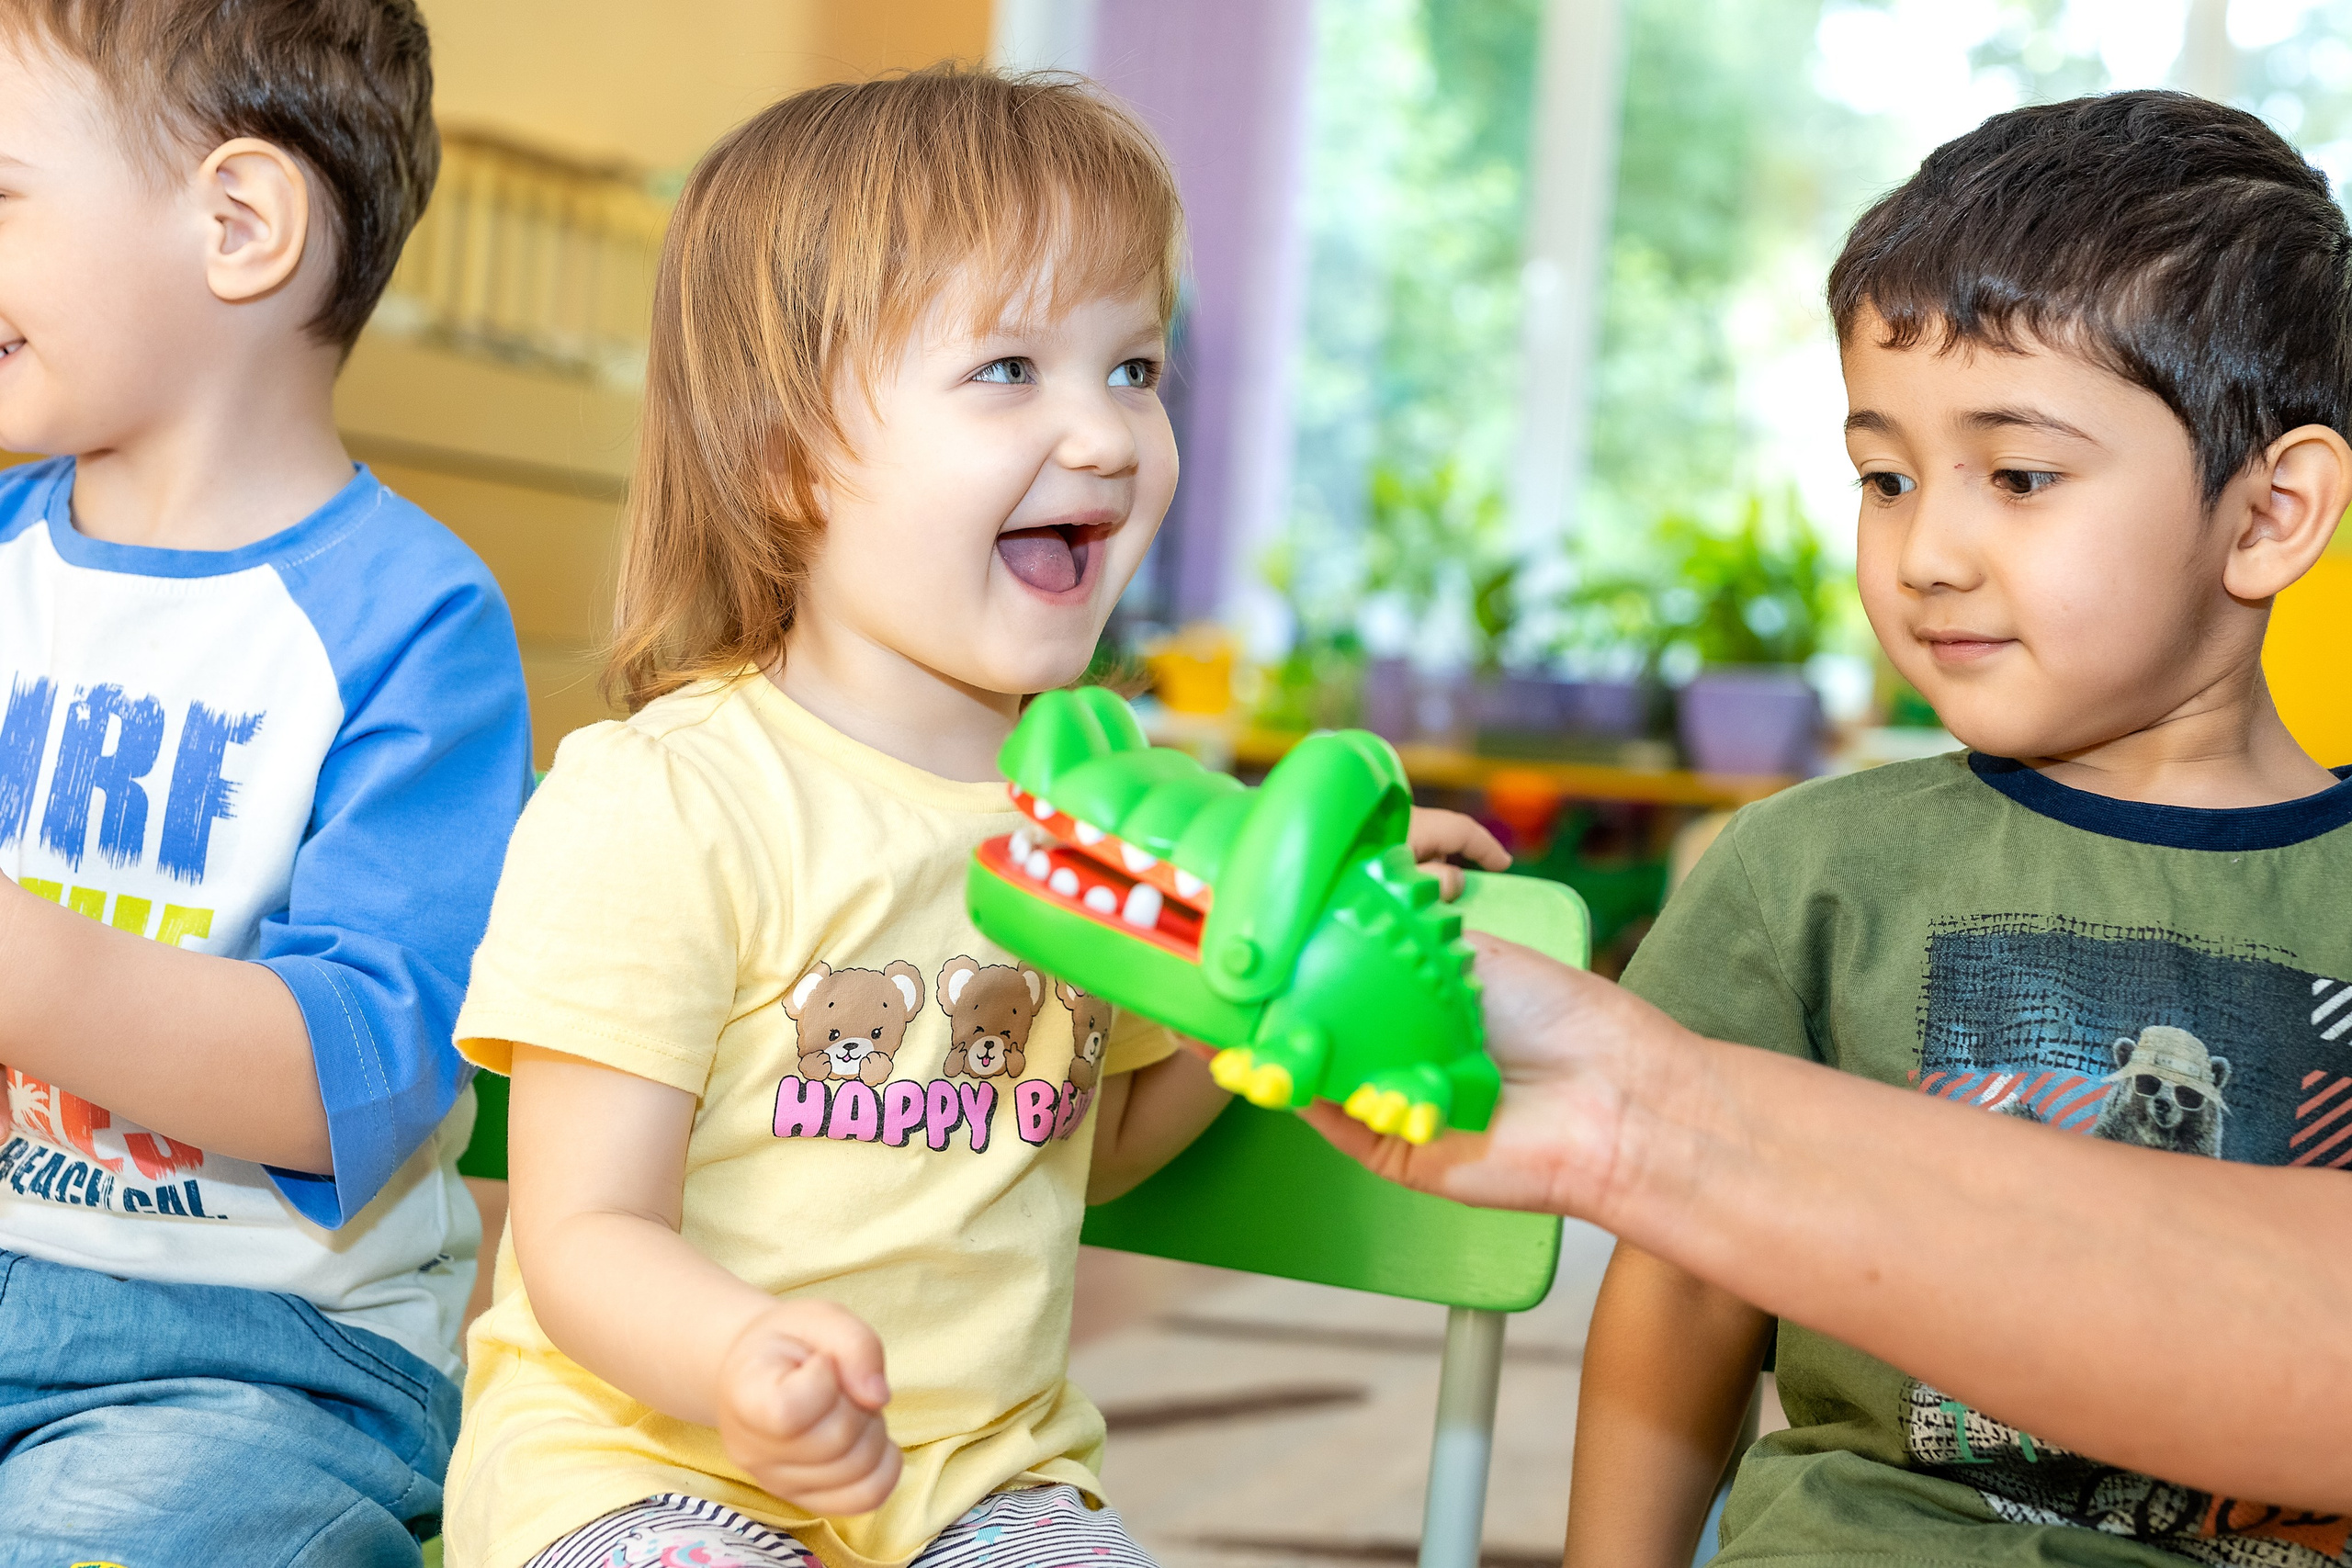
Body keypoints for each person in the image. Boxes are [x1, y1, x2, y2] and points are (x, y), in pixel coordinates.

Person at [441, 65, 1506, 1568]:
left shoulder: (1116, 805)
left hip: (981, 1484)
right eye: (1010, 368)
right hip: (636, 1466)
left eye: (1134, 368)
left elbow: (1105, 1141)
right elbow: (584, 1232)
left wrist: (1273, 961)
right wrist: (748, 1361)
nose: (1105, 436)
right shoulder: (666, 803)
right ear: (789, 454)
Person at [1400, 90, 2352, 1568]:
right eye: (1885, 477)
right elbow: (1685, 1289)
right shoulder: (1801, 872)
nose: (1926, 552)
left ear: (2272, 512)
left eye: (2020, 477)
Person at [0, 1, 533, 1563]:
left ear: (239, 224)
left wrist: (31, 970)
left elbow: (357, 1073)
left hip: (256, 1362)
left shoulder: (412, 627)